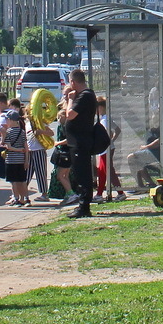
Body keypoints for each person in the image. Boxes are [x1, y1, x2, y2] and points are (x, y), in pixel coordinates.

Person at [63, 69, 98, 218]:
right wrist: (69, 99)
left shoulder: (85, 96)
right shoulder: (81, 96)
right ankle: (82, 204)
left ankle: (84, 206)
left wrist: (71, 99)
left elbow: (70, 115)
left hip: (81, 141)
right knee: (78, 173)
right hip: (76, 141)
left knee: (83, 174)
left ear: (72, 82)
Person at [94, 98, 126, 202]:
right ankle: (116, 192)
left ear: (101, 107)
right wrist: (111, 140)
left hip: (106, 149)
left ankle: (103, 193)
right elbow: (117, 130)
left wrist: (108, 140)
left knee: (105, 171)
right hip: (107, 148)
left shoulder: (104, 120)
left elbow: (109, 133)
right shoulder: (106, 118)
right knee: (106, 171)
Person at [1, 109, 32, 207]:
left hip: (11, 160)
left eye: (7, 120)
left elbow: (8, 147)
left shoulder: (8, 132)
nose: (6, 122)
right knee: (22, 180)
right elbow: (26, 147)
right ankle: (26, 199)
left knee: (13, 181)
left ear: (11, 120)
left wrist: (18, 150)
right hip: (21, 160)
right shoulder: (22, 132)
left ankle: (16, 198)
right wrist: (26, 159)